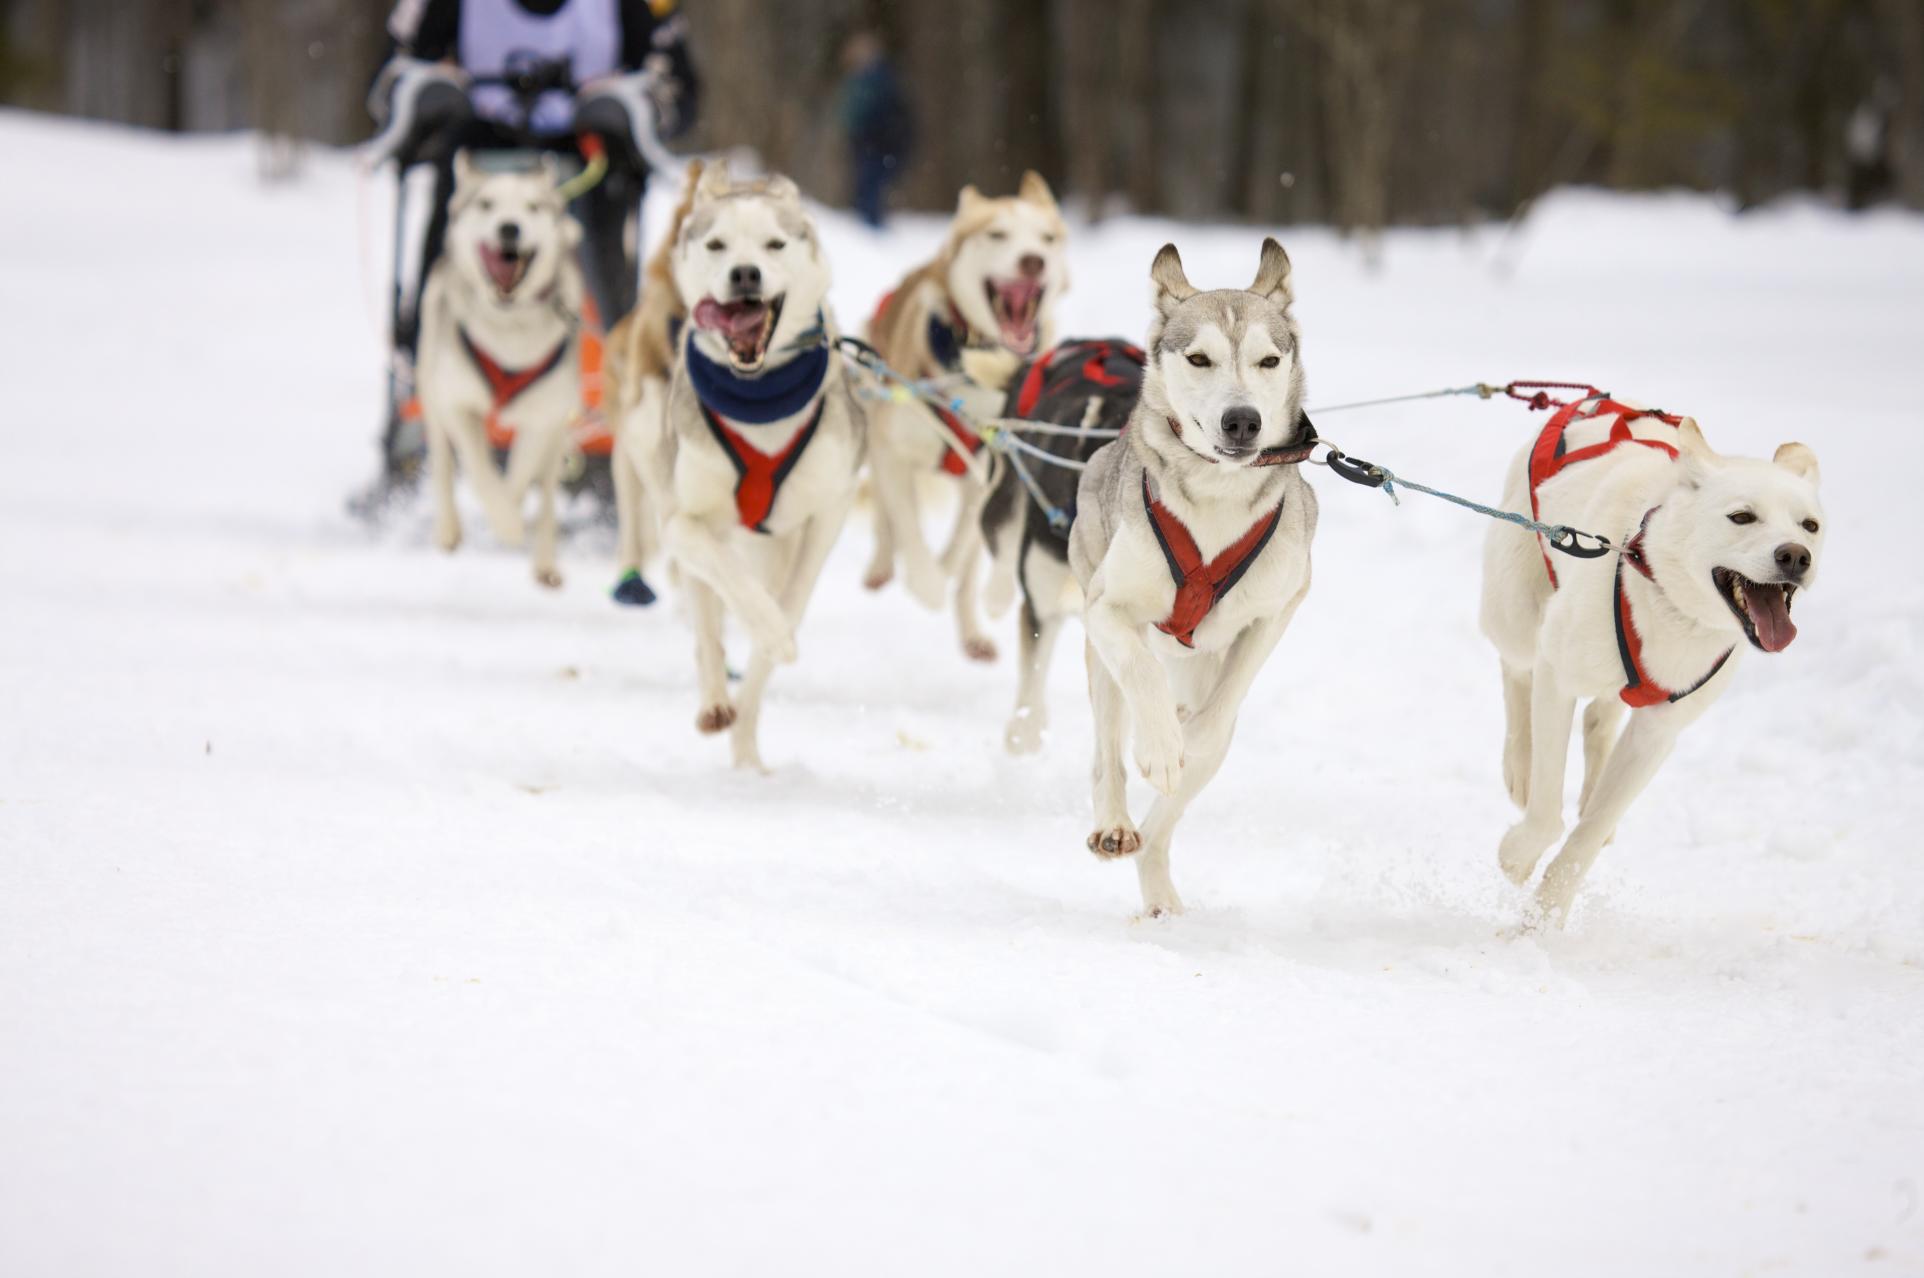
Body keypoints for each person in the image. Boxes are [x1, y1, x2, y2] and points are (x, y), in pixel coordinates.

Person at [362, 0, 699, 495]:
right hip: (478, 157)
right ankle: (421, 405)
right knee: (450, 247)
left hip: (588, 160)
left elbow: (678, 84)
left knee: (601, 267)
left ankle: (606, 421)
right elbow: (393, 73)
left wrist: (638, 104)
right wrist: (430, 92)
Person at [836, 30, 911, 229]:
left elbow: (884, 114)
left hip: (878, 145)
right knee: (867, 188)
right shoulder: (864, 79)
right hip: (869, 144)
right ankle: (868, 229)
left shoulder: (878, 79)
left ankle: (871, 230)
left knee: (870, 189)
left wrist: (872, 136)